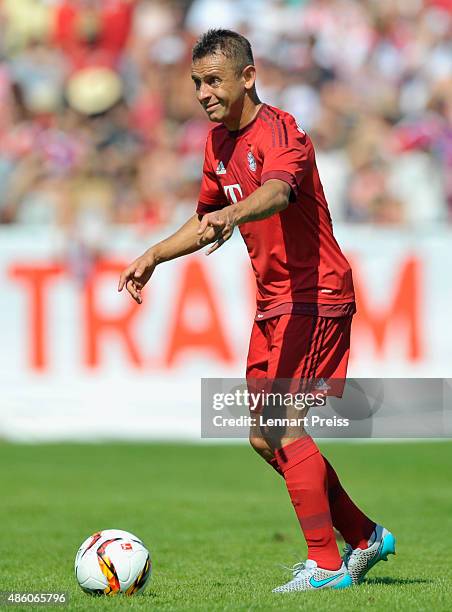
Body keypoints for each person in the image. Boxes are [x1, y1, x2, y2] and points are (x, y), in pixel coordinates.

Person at [118, 29, 395, 593]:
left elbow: (277, 193)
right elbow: (205, 219)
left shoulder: (284, 131)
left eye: (213, 79)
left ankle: (325, 566)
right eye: (197, 82)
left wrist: (233, 213)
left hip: (315, 295)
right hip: (275, 303)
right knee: (261, 438)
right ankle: (364, 536)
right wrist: (153, 255)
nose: (202, 92)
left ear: (248, 76)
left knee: (284, 427)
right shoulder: (216, 145)